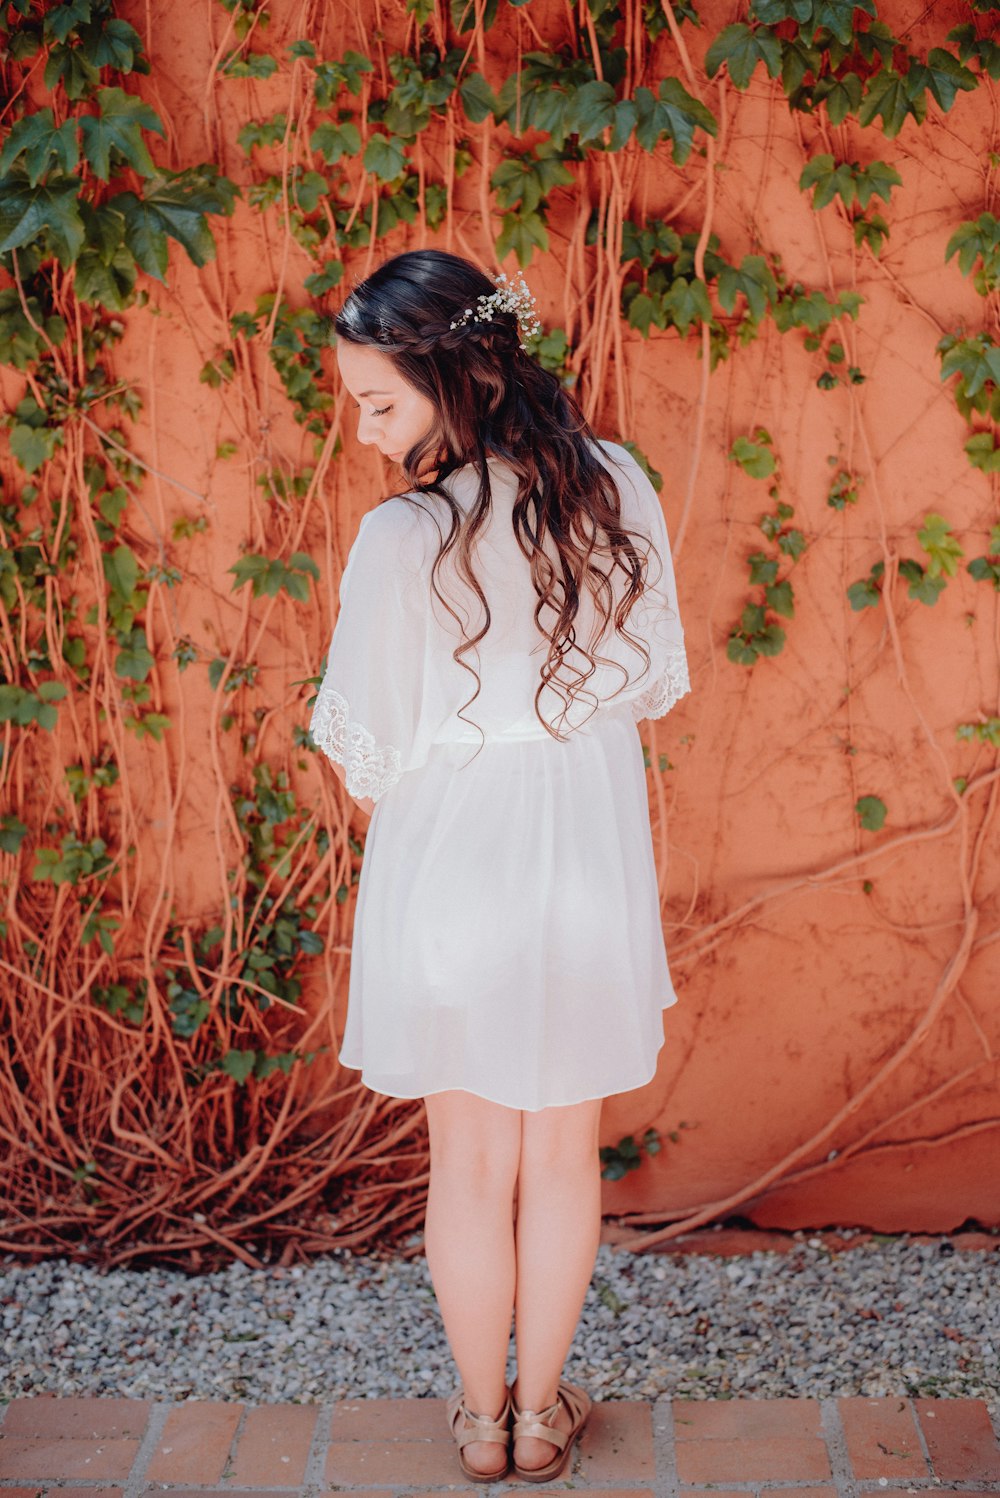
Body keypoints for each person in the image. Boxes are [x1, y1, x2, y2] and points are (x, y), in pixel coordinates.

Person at [310, 249, 690, 1482]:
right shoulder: (613, 485)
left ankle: (481, 1420)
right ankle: (541, 1417)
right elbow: (650, 681)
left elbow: (363, 743)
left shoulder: (401, 534)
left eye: (378, 403)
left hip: (454, 845)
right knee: (560, 1149)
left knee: (468, 1160)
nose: (367, 436)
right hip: (582, 840)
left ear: (448, 373)